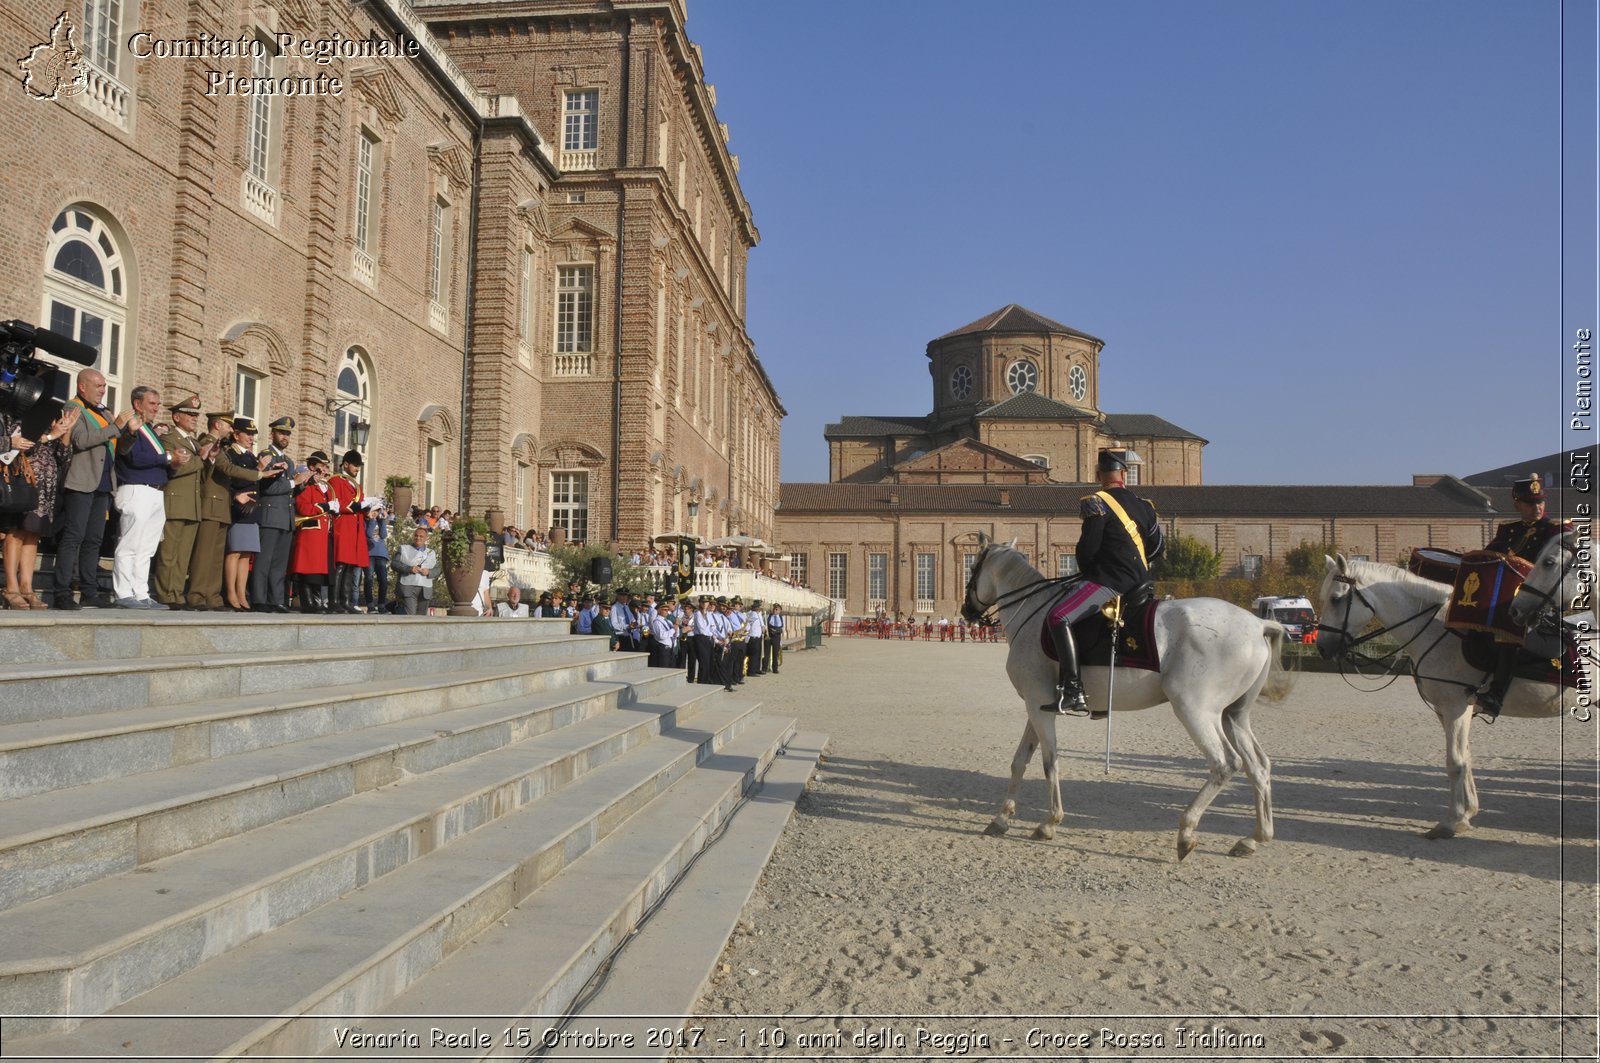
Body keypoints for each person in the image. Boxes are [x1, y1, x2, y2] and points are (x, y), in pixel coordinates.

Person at [1041, 449, 1166, 715]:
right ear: (1124, 474)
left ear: (1099, 475)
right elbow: (1157, 548)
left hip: (1110, 582)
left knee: (1058, 617)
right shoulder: (1145, 506)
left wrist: (1092, 570)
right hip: (1142, 584)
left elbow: (1088, 549)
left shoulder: (1096, 502)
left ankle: (1073, 690)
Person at [1473, 474, 1571, 722]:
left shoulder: (1557, 531)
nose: (1538, 507)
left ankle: (1496, 695)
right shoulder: (1509, 531)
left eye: (1540, 502)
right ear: (1517, 504)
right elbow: (1486, 559)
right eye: (1530, 503)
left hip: (1538, 606)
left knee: (1508, 632)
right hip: (1504, 601)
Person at [112, 385, 191, 608]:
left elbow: (157, 460)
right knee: (130, 543)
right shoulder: (132, 427)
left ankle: (141, 592)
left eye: (157, 404)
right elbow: (135, 458)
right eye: (152, 404)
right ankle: (123, 592)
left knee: (147, 547)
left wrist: (173, 463)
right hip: (136, 489)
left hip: (156, 490)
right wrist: (167, 457)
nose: (156, 409)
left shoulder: (150, 431)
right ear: (137, 404)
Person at [51, 368, 123, 608]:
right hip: (81, 481)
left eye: (104, 386)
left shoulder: (104, 413)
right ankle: (62, 592)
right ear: (83, 387)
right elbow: (80, 440)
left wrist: (128, 431)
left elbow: (117, 445)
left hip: (103, 482)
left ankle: (89, 591)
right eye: (99, 386)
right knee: (74, 536)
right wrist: (117, 426)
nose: (103, 390)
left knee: (94, 539)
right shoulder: (73, 408)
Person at [2, 403, 79, 609]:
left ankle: (27, 587)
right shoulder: (19, 419)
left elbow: (63, 457)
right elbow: (21, 446)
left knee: (33, 536)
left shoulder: (48, 424)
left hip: (46, 490)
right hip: (24, 484)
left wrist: (65, 432)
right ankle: (11, 588)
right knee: (16, 534)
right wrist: (51, 435)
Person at [153, 396, 205, 608]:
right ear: (176, 417)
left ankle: (177, 593)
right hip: (174, 501)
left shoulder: (194, 443)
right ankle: (165, 593)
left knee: (183, 555)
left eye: (195, 415)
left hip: (192, 504)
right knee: (169, 553)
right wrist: (201, 458)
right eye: (190, 415)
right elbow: (177, 468)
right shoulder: (169, 438)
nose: (194, 419)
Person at [222, 417, 273, 611]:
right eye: (247, 434)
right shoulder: (231, 454)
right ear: (236, 435)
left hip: (252, 509)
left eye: (253, 435)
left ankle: (242, 594)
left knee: (246, 554)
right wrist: (259, 469)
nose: (251, 438)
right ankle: (230, 593)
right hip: (240, 508)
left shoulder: (251, 457)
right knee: (235, 552)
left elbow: (255, 480)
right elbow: (233, 479)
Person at [249, 415, 298, 612]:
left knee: (279, 562)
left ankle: (276, 599)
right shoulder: (266, 455)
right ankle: (259, 599)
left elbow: (289, 490)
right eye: (281, 433)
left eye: (287, 434)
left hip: (285, 516)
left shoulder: (289, 461)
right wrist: (295, 483)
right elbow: (269, 488)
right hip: (270, 514)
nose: (285, 437)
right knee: (265, 560)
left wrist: (302, 484)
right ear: (273, 434)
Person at [289, 450, 335, 613]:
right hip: (310, 532)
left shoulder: (322, 487)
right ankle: (308, 602)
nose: (324, 470)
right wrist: (322, 507)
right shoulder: (306, 485)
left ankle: (317, 601)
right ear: (312, 467)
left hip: (321, 534)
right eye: (321, 466)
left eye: (325, 466)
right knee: (307, 570)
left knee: (317, 571)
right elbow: (302, 507)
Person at [327, 450, 372, 613]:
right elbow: (338, 503)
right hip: (343, 526)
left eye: (359, 466)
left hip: (355, 528)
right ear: (345, 464)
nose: (357, 469)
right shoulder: (337, 480)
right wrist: (358, 506)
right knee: (340, 565)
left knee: (351, 566)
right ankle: (334, 601)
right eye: (355, 465)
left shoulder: (356, 485)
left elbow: (359, 504)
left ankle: (345, 601)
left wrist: (369, 509)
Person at [394, 525, 438, 615]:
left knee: (422, 617)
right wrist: (409, 569)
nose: (418, 538)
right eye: (416, 535)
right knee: (410, 616)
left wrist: (429, 572)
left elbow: (438, 569)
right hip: (408, 587)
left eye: (421, 536)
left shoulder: (431, 552)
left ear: (426, 538)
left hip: (425, 589)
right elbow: (394, 564)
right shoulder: (404, 549)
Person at [364, 502, 390, 613]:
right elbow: (369, 534)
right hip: (369, 554)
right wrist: (372, 520)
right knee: (369, 579)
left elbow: (383, 535)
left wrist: (383, 520)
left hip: (381, 554)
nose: (376, 513)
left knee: (383, 580)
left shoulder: (380, 522)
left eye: (378, 511)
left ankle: (381, 605)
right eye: (374, 510)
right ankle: (370, 606)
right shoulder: (366, 521)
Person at [648, 600, 679, 668]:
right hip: (663, 649)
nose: (666, 611)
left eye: (667, 610)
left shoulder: (668, 621)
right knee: (664, 668)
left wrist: (676, 625)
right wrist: (673, 630)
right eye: (664, 609)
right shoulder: (657, 622)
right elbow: (661, 635)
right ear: (659, 610)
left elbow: (676, 634)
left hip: (671, 649)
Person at [764, 602, 785, 673]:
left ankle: (775, 668)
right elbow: (765, 625)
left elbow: (782, 628)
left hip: (776, 637)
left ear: (780, 610)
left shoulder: (781, 618)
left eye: (776, 609)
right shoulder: (768, 616)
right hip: (769, 636)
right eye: (774, 609)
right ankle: (765, 667)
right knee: (766, 653)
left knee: (775, 653)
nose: (775, 611)